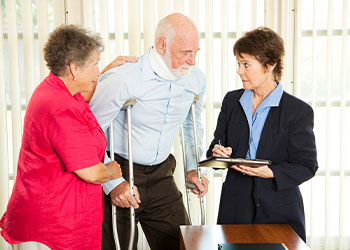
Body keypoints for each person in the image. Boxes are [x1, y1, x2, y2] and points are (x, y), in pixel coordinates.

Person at [0, 24, 136, 250]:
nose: (97, 71)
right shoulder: (59, 106)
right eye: (94, 65)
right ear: (74, 68)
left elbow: (87, 92)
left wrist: (108, 72)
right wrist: (112, 171)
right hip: (54, 227)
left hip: (64, 221)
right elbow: (91, 172)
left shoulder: (61, 89)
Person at [89, 13, 209, 250]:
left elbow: (191, 125)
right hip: (120, 170)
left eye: (196, 52)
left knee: (181, 245)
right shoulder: (123, 79)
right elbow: (88, 133)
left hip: (162, 174)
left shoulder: (195, 79)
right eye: (185, 52)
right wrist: (113, 183)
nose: (193, 60)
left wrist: (193, 167)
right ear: (162, 44)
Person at [207, 27, 318, 242]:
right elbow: (217, 142)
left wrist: (271, 172)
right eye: (238, 64)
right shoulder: (232, 101)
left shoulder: (298, 111)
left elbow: (307, 165)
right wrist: (219, 150)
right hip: (235, 207)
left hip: (279, 210)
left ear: (270, 65)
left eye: (246, 64)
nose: (240, 71)